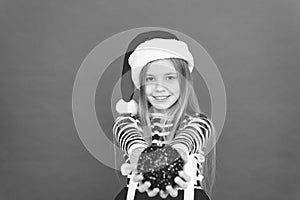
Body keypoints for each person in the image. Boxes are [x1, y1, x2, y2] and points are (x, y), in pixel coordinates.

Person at [112, 32, 216, 200]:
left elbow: (191, 136)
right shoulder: (130, 122)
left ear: (184, 82)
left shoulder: (198, 123)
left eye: (169, 77)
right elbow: (125, 131)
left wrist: (177, 152)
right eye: (150, 79)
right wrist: (138, 152)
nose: (159, 87)